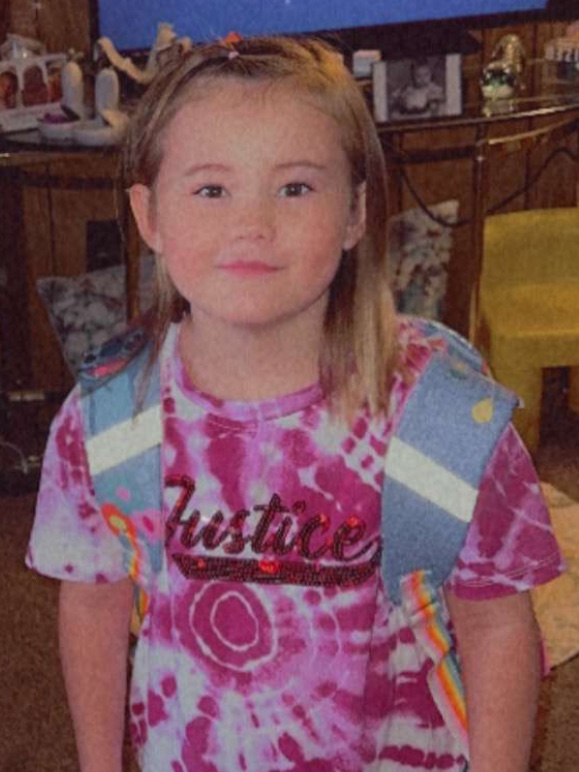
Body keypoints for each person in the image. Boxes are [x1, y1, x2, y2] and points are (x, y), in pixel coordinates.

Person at [26, 36, 563, 772]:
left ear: (355, 212)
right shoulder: (107, 425)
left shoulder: (441, 424)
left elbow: (498, 626)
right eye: (211, 189)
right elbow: (93, 601)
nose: (252, 223)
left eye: (295, 187)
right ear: (149, 217)